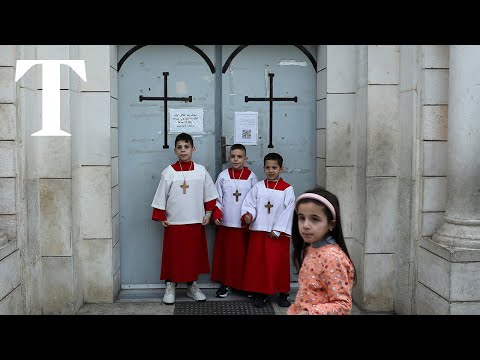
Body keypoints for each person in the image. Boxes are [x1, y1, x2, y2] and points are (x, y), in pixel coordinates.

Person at [151, 132, 218, 305]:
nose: (183, 150)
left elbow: (209, 194)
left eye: (186, 147)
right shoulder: (169, 172)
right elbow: (160, 196)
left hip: (195, 221)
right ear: (175, 150)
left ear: (193, 149)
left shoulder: (201, 171)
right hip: (174, 223)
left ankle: (192, 286)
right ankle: (170, 285)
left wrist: (209, 213)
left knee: (192, 257)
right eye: (179, 147)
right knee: (173, 257)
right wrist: (161, 216)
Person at [287, 186, 356, 315]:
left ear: (331, 224)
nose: (306, 225)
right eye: (302, 218)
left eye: (315, 219)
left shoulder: (332, 258)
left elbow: (343, 305)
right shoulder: (311, 248)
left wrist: (309, 313)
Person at [240, 152, 295, 308]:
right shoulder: (258, 187)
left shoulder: (287, 189)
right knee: (261, 265)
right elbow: (250, 203)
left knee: (278, 264)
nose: (271, 171)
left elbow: (289, 210)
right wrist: (249, 215)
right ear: (264, 168)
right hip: (260, 231)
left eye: (274, 167)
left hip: (278, 235)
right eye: (268, 167)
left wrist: (278, 230)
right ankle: (261, 293)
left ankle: (283, 293)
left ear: (281, 169)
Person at [211, 144, 258, 298]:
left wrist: (249, 215)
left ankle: (245, 285)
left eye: (239, 156)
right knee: (228, 257)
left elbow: (255, 199)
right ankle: (226, 283)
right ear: (229, 157)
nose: (236, 159)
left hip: (243, 225)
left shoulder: (251, 176)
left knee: (244, 256)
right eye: (233, 156)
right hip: (226, 224)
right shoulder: (223, 176)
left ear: (246, 158)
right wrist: (217, 213)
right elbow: (217, 197)